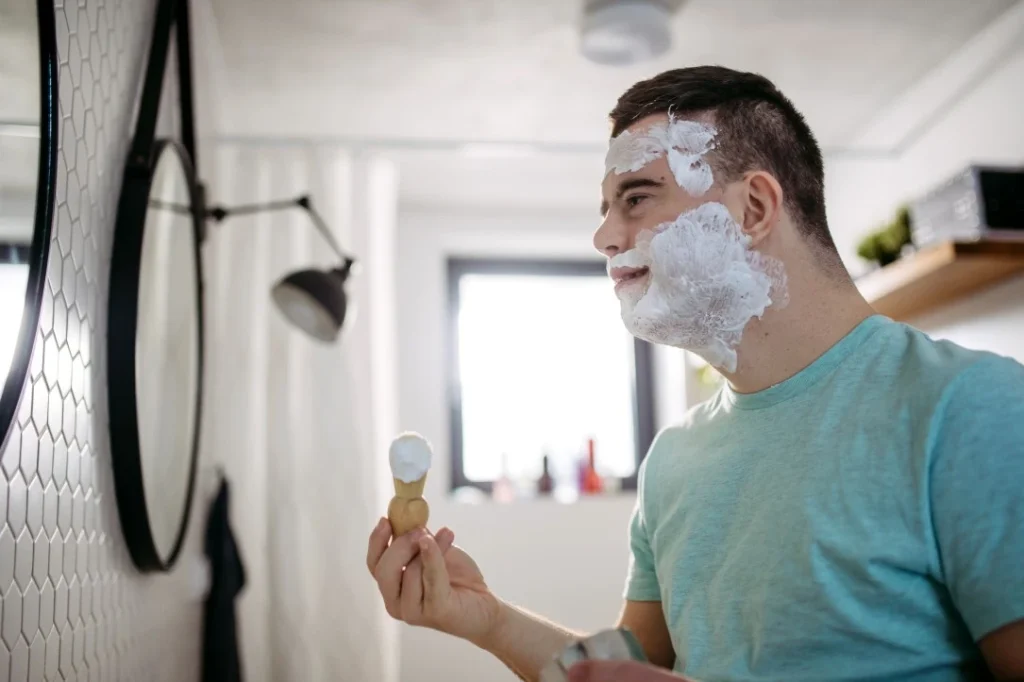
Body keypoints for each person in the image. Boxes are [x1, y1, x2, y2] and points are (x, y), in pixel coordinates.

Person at [366, 66, 1024, 681]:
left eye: (636, 197)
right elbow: (637, 661)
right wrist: (482, 616)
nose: (604, 236)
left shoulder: (971, 408)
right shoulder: (672, 458)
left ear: (754, 208)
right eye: (605, 207)